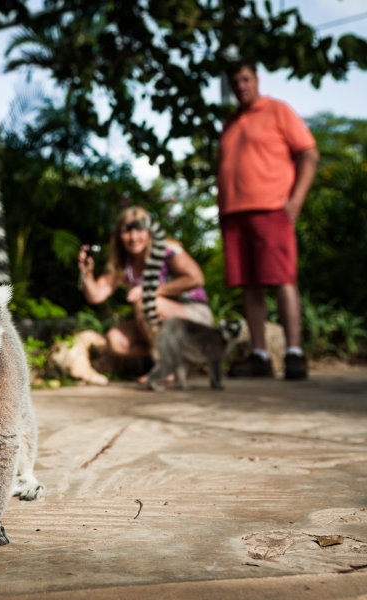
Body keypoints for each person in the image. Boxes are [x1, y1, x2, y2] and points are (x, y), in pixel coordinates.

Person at [217, 58, 319, 379]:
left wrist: (296, 201)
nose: (241, 86)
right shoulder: (231, 122)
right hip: (234, 213)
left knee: (282, 279)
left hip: (272, 209)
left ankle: (294, 353)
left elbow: (309, 153)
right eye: (235, 82)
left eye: (246, 79)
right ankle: (259, 355)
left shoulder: (278, 110)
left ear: (256, 79)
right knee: (249, 284)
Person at [77, 206, 213, 371]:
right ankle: (183, 360)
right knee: (116, 340)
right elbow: (95, 296)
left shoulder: (166, 250)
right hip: (162, 323)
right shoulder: (123, 263)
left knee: (144, 302)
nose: (133, 237)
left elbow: (197, 278)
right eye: (127, 231)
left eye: (139, 229)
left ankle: (167, 367)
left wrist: (151, 290)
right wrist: (87, 273)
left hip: (193, 315)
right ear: (119, 235)